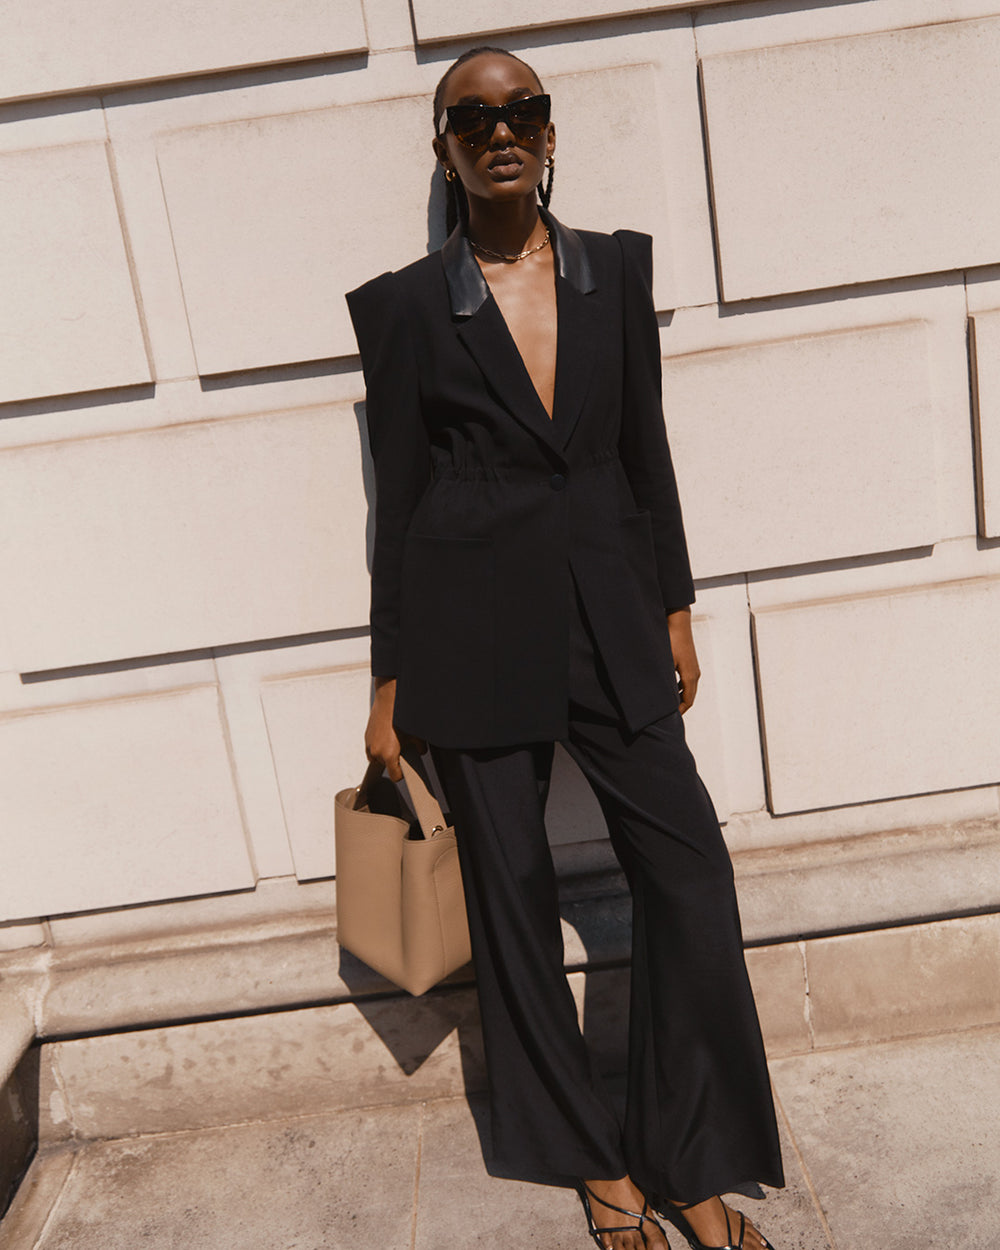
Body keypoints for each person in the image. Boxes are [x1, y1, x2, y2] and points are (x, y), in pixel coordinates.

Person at [346, 45, 784, 1250]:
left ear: (549, 133)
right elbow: (401, 500)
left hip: (609, 610)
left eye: (521, 110)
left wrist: (674, 605)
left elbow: (645, 445)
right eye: (472, 116)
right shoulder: (402, 308)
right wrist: (390, 678)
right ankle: (593, 1164)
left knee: (691, 873)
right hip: (469, 631)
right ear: (442, 148)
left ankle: (688, 1154)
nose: (500, 130)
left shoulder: (612, 272)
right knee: (513, 899)